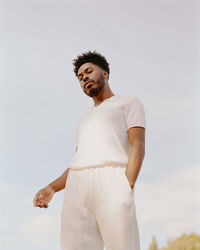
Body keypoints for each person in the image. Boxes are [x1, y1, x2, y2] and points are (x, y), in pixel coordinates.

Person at [33, 50, 146, 250]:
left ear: (105, 73)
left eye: (89, 71)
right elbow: (79, 161)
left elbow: (138, 145)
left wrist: (126, 185)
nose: (84, 77)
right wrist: (51, 187)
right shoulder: (83, 120)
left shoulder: (128, 103)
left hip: (112, 179)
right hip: (78, 184)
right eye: (80, 77)